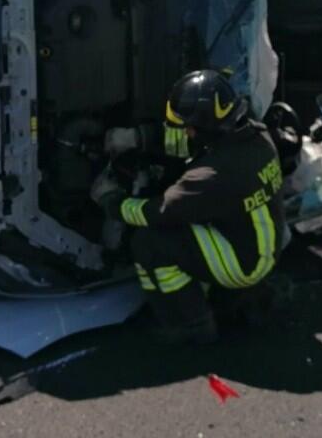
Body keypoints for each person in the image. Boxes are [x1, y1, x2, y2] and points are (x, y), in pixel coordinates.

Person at [90, 69, 286, 344]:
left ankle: (189, 323)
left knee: (149, 243)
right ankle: (237, 296)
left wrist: (111, 200)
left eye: (190, 126)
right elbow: (189, 143)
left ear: (205, 126)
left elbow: (154, 213)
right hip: (263, 243)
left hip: (244, 263)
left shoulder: (211, 177)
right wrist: (137, 137)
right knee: (187, 232)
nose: (187, 132)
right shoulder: (255, 135)